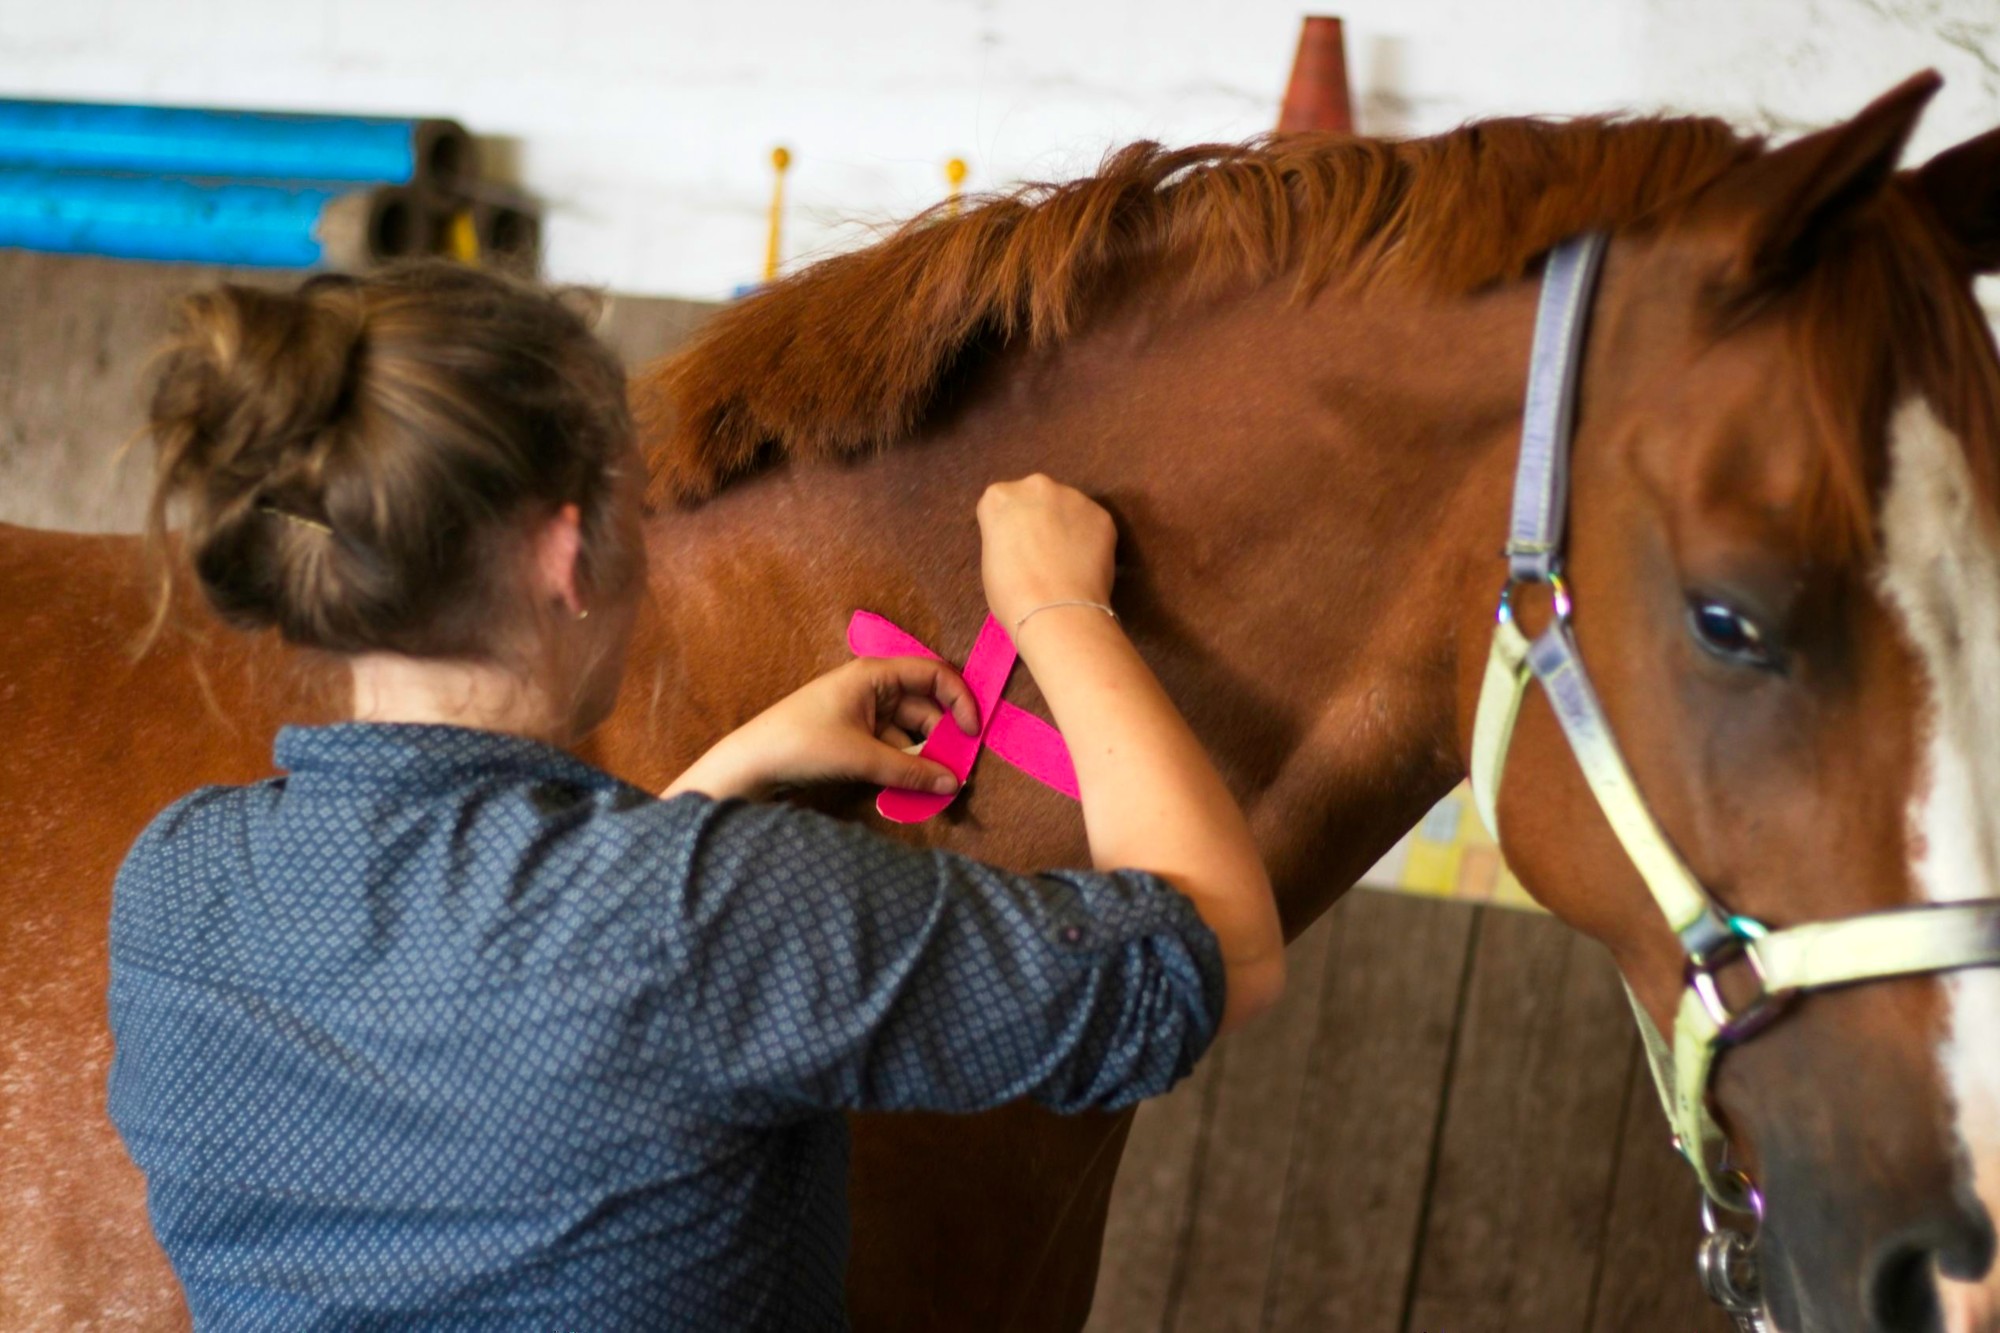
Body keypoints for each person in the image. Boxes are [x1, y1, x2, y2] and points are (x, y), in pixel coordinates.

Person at [107, 261, 1286, 1330]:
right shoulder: (697, 913)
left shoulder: (172, 884)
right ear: (569, 553)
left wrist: (720, 784)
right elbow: (1206, 955)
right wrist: (1054, 606)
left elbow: (510, 1014)